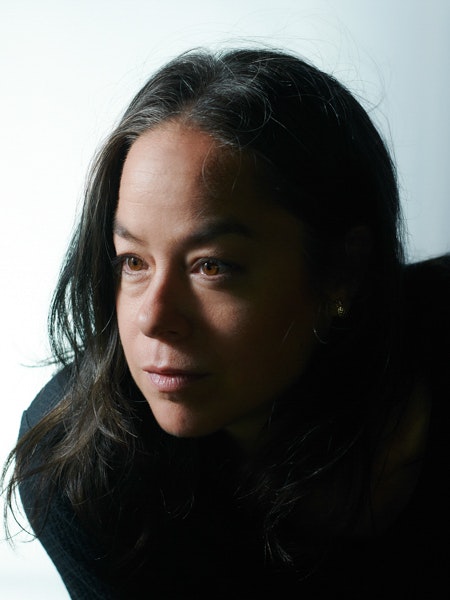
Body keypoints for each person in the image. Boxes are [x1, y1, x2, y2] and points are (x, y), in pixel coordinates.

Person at [2, 46, 449, 599]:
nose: (153, 319)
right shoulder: (83, 468)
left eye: (211, 266)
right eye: (133, 262)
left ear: (342, 272)